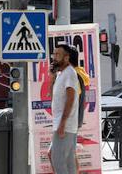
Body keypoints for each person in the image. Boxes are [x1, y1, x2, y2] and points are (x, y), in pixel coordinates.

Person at [49, 43, 81, 174]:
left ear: (67, 58)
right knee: (68, 163)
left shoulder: (69, 73)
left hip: (65, 125)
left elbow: (71, 99)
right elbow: (53, 97)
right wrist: (52, 77)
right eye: (54, 54)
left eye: (58, 55)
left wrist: (62, 123)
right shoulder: (61, 74)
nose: (54, 57)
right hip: (63, 124)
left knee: (58, 161)